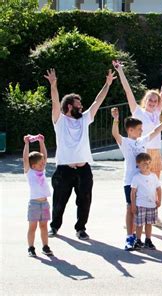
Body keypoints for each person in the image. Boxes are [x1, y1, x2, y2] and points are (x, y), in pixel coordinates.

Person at [45, 68, 116, 240]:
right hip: (64, 170)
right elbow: (55, 103)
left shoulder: (85, 118)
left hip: (83, 169)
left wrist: (107, 84)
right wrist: (53, 85)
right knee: (59, 202)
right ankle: (54, 227)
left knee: (84, 201)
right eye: (78, 104)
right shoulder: (59, 120)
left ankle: (81, 228)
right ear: (69, 106)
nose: (81, 106)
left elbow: (98, 101)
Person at [114, 60, 162, 229]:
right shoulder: (138, 112)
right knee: (137, 185)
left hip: (156, 152)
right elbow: (128, 91)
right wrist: (121, 71)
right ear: (145, 101)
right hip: (142, 151)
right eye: (150, 100)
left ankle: (154, 215)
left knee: (153, 185)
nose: (153, 102)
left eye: (155, 101)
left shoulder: (157, 113)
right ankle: (132, 216)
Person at [111, 106, 162, 250]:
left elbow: (156, 131)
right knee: (130, 208)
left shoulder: (142, 140)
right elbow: (115, 134)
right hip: (130, 182)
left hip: (145, 182)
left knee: (143, 210)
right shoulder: (125, 142)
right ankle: (129, 237)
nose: (141, 131)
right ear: (130, 130)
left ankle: (143, 238)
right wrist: (115, 120)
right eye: (139, 129)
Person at [23, 134, 53, 257]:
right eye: (40, 164)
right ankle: (31, 247)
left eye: (43, 163)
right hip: (34, 204)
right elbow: (25, 159)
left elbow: (44, 156)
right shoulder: (29, 172)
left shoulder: (42, 171)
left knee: (44, 226)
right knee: (32, 227)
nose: (43, 164)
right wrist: (27, 144)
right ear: (33, 165)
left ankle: (45, 246)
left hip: (44, 203)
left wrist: (42, 142)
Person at [130, 153, 162, 250]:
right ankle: (138, 240)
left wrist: (159, 200)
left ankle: (148, 240)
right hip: (140, 205)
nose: (147, 165)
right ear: (138, 164)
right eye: (144, 163)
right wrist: (133, 205)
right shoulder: (136, 177)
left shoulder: (153, 176)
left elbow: (159, 189)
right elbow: (133, 193)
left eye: (148, 163)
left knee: (149, 223)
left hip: (152, 204)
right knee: (139, 224)